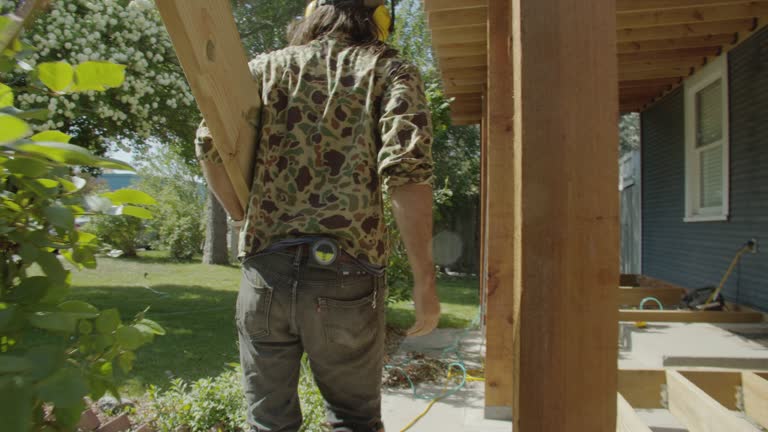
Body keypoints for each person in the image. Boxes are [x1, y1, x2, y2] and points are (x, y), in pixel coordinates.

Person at [195, 1, 439, 430]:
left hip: (265, 272)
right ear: (379, 20)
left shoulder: (264, 68)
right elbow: (407, 173)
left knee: (269, 423)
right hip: (347, 276)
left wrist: (240, 215)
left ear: (310, 16)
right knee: (353, 420)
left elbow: (208, 143)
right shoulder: (392, 71)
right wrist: (425, 280)